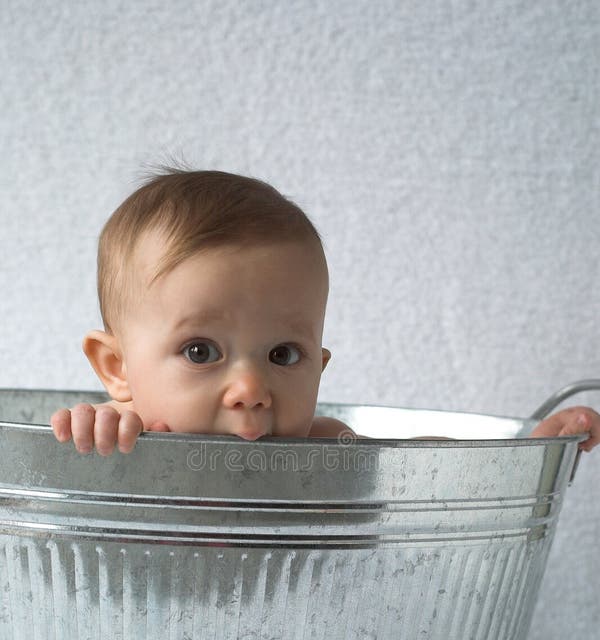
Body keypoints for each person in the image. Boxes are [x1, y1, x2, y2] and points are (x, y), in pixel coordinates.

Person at [50, 168, 600, 455]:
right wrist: (92, 436)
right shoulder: (129, 437)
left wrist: (525, 458)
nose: (251, 388)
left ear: (320, 364)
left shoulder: (321, 446)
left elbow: (422, 470)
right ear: (118, 367)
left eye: (284, 354)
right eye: (200, 351)